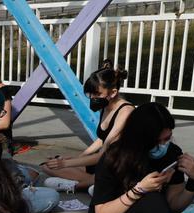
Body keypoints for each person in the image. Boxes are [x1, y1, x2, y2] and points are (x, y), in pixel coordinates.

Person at [39, 62, 134, 190]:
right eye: (91, 94)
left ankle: (79, 185)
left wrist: (65, 163)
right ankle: (93, 183)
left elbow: (103, 155)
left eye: (97, 94)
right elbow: (102, 139)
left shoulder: (126, 112)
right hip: (103, 162)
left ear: (113, 93)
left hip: (119, 165)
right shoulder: (106, 106)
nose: (93, 98)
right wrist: (80, 156)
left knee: (62, 164)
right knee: (47, 165)